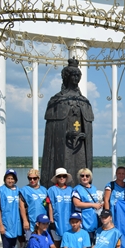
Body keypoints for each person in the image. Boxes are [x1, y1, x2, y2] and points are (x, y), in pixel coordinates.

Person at [40, 58, 94, 189]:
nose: (75, 78)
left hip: (79, 146)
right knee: (63, 166)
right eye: (73, 75)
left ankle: (80, 191)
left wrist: (85, 135)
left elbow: (88, 125)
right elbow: (52, 128)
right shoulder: (57, 100)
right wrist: (64, 133)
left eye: (77, 75)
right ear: (67, 77)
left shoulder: (84, 101)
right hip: (62, 145)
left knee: (80, 169)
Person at [0, 169, 22, 248]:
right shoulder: (0, 191)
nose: (10, 180)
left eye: (12, 178)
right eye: (8, 178)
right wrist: (0, 224)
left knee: (12, 245)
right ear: (5, 179)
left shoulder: (18, 190)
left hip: (16, 223)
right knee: (6, 246)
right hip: (6, 223)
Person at [72, 168, 103, 244]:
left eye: (87, 176)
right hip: (84, 219)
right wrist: (93, 205)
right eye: (82, 176)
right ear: (79, 177)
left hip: (94, 218)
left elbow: (96, 201)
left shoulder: (94, 188)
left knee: (94, 241)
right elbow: (77, 204)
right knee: (85, 242)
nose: (85, 178)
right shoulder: (77, 189)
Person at [47, 168, 74, 248]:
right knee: (56, 242)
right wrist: (51, 220)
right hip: (57, 220)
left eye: (64, 176)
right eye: (59, 176)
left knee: (68, 243)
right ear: (56, 178)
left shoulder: (71, 190)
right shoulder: (51, 190)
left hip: (68, 220)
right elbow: (50, 206)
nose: (62, 178)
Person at [19, 169, 48, 241]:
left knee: (43, 242)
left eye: (34, 178)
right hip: (31, 221)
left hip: (43, 221)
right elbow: (21, 206)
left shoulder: (44, 190)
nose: (32, 180)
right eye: (30, 178)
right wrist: (25, 221)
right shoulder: (24, 190)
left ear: (38, 178)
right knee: (32, 242)